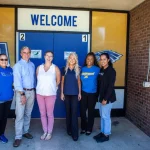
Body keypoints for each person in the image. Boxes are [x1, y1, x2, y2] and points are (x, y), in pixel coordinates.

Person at [13, 46, 35, 147]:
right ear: (21, 54)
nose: (26, 54)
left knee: (28, 113)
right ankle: (18, 137)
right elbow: (17, 81)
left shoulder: (32, 65)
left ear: (30, 54)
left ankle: (25, 131)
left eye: (28, 52)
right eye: (24, 52)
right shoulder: (18, 65)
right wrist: (22, 94)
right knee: (20, 115)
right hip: (22, 93)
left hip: (31, 92)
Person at [36, 51, 60, 140]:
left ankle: (49, 132)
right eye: (47, 55)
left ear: (52, 58)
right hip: (40, 94)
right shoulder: (39, 68)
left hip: (50, 95)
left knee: (49, 114)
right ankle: (45, 131)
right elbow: (38, 79)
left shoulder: (55, 68)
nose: (49, 57)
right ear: (44, 56)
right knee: (42, 114)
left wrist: (53, 88)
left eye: (51, 56)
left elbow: (58, 80)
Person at [93, 53, 116, 143]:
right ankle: (102, 132)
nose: (102, 61)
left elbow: (110, 86)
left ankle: (106, 134)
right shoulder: (102, 70)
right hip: (101, 98)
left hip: (107, 98)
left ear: (108, 60)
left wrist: (105, 99)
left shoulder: (111, 71)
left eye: (104, 59)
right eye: (101, 59)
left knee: (106, 117)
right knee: (102, 116)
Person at [61, 53, 81, 141]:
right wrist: (61, 93)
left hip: (75, 94)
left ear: (76, 60)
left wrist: (80, 93)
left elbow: (79, 82)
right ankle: (69, 130)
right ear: (68, 59)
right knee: (68, 113)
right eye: (71, 58)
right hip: (66, 94)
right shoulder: (64, 69)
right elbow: (62, 82)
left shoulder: (78, 69)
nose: (72, 59)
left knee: (74, 113)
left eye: (74, 58)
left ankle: (75, 133)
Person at [80, 52, 100, 135]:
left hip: (93, 94)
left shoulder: (97, 69)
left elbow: (102, 80)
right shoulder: (82, 69)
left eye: (91, 59)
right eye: (88, 59)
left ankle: (89, 128)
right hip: (83, 93)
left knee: (91, 112)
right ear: (86, 59)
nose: (89, 60)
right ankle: (83, 128)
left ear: (93, 60)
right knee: (82, 112)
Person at [0, 54, 13, 143]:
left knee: (4, 118)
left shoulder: (10, 70)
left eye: (5, 59)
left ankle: (1, 134)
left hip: (9, 98)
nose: (4, 61)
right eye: (2, 59)